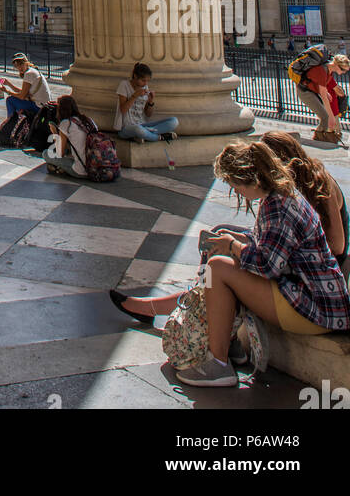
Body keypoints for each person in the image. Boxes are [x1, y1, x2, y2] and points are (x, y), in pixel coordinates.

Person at [112, 140, 350, 389]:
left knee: (218, 267)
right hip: (315, 300)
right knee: (222, 257)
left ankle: (218, 364)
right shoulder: (282, 196)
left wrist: (233, 246)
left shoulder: (277, 206)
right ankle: (227, 342)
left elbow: (267, 265)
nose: (236, 193)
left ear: (250, 179)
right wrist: (236, 240)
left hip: (315, 308)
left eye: (234, 185)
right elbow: (274, 251)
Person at [260, 130, 348, 272]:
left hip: (324, 269)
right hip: (299, 260)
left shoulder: (321, 183)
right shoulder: (283, 186)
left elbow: (337, 246)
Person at [114, 62, 179, 141]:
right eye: (143, 80)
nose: (145, 83)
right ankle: (159, 137)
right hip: (126, 128)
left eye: (147, 81)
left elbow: (148, 114)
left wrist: (150, 102)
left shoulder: (145, 87)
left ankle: (144, 135)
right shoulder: (124, 85)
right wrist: (135, 96)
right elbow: (123, 110)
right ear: (135, 76)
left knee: (174, 121)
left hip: (143, 125)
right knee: (138, 129)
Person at [295, 51, 350, 144]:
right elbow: (324, 97)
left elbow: (324, 89)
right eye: (343, 70)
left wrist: (325, 93)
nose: (343, 73)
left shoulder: (329, 71)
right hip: (305, 92)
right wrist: (332, 117)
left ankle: (321, 139)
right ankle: (317, 140)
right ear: (336, 65)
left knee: (326, 117)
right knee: (326, 117)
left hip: (312, 91)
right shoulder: (322, 71)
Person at [44, 94, 93, 178]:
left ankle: (61, 169)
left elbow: (60, 153)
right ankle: (60, 168)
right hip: (95, 166)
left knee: (46, 153)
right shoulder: (88, 120)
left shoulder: (66, 123)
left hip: (81, 170)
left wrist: (54, 133)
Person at [0, 52, 51, 120]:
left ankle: (10, 123)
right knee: (17, 103)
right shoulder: (32, 71)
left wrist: (7, 91)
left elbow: (22, 96)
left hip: (39, 107)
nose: (19, 67)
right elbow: (23, 92)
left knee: (10, 100)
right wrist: (9, 84)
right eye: (16, 65)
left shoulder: (29, 74)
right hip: (44, 105)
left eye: (21, 64)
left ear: (26, 63)